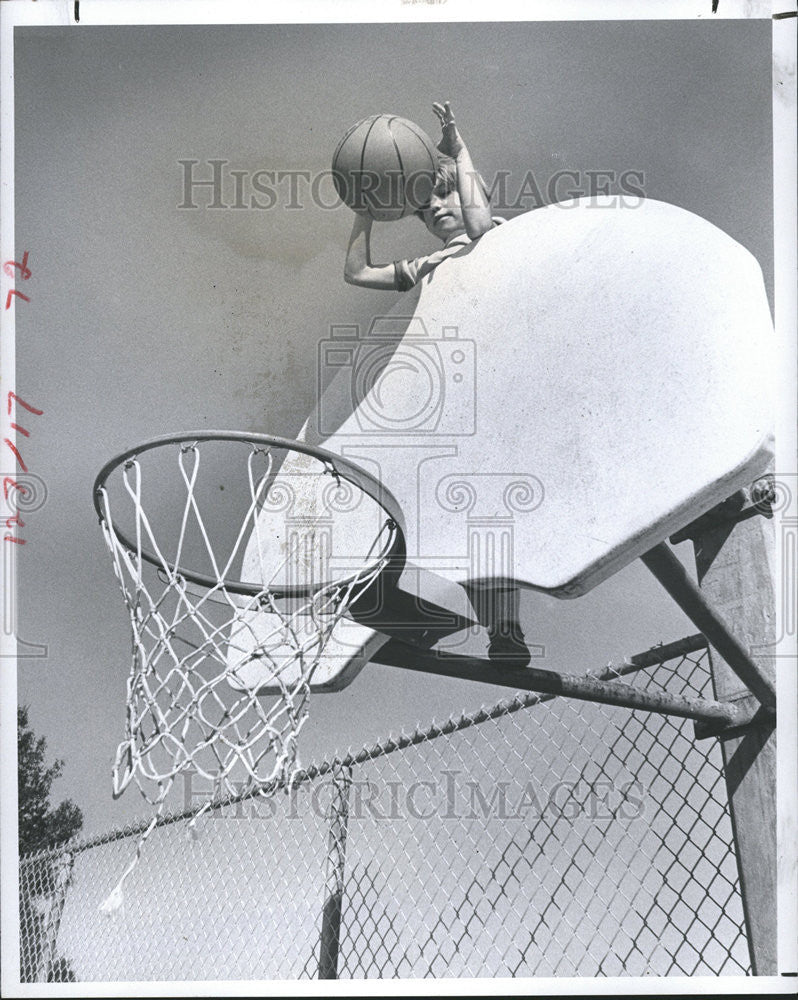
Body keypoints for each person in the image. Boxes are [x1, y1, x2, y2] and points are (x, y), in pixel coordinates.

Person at [344, 101, 500, 291]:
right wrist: (366, 199)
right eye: (423, 206)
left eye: (444, 193)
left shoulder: (501, 232)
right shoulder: (427, 267)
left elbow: (481, 230)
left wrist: (460, 153)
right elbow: (357, 272)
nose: (434, 205)